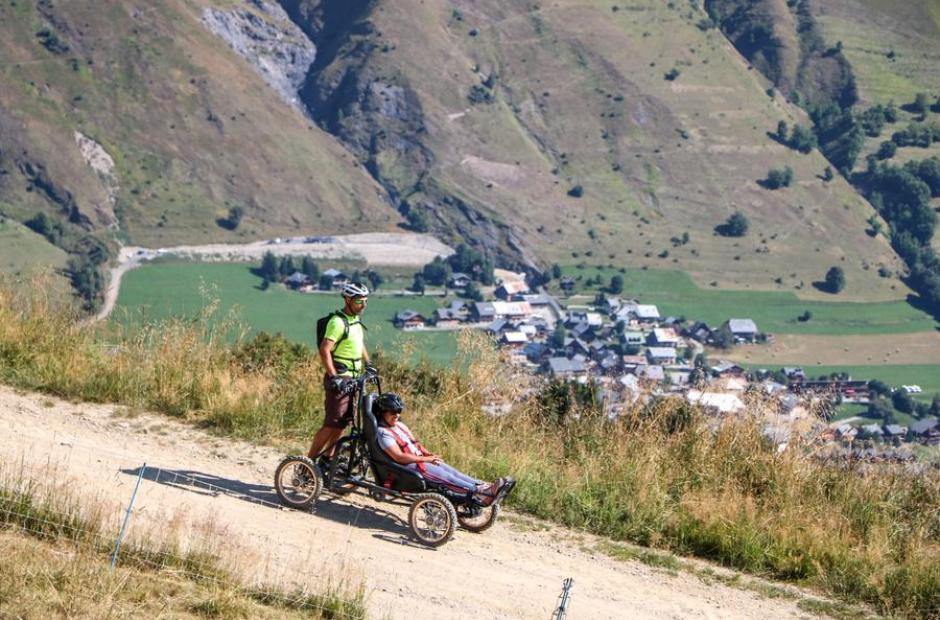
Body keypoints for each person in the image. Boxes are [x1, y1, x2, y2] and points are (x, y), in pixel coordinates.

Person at [372, 392, 514, 506]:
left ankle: (484, 487)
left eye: (399, 410)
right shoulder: (383, 433)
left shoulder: (400, 426)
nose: (397, 414)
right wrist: (426, 459)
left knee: (455, 473)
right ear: (382, 413)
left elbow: (415, 444)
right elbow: (398, 457)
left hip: (420, 460)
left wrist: (429, 454)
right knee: (448, 478)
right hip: (409, 466)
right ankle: (482, 494)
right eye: (392, 412)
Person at [307, 281, 371, 464]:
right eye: (360, 301)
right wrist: (334, 376)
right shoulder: (337, 322)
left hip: (354, 379)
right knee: (331, 423)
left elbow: (359, 344)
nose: (364, 305)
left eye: (366, 301)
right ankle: (308, 463)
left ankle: (327, 459)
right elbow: (324, 349)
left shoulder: (355, 321)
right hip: (340, 378)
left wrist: (369, 363)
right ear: (348, 299)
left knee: (343, 423)